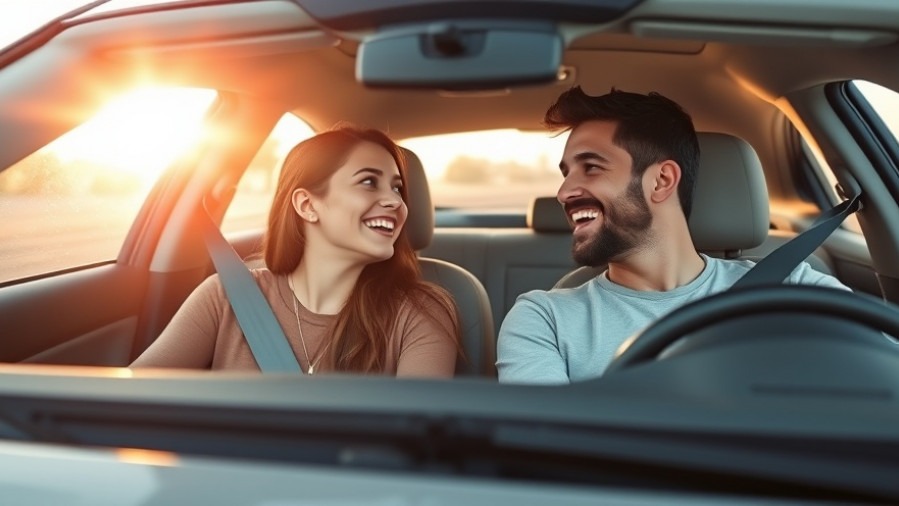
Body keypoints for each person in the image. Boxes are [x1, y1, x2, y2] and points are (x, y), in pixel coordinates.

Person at [496, 87, 849, 385]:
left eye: (591, 167)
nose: (564, 192)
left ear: (661, 181)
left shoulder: (792, 288)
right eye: (566, 173)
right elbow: (545, 451)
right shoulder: (545, 319)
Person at [133, 125, 460, 377]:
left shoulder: (420, 313)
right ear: (307, 205)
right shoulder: (225, 298)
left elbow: (414, 441)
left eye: (397, 188)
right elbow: (130, 400)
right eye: (368, 182)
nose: (396, 202)